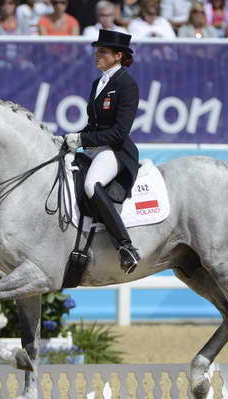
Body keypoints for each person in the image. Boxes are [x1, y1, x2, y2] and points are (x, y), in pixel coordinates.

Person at [63, 30, 141, 274]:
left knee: (91, 184)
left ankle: (125, 246)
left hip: (116, 150)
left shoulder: (127, 85)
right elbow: (93, 124)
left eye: (103, 52)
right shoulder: (98, 83)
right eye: (97, 51)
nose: (97, 55)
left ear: (118, 56)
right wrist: (72, 138)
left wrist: (83, 139)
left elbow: (119, 132)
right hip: (95, 147)